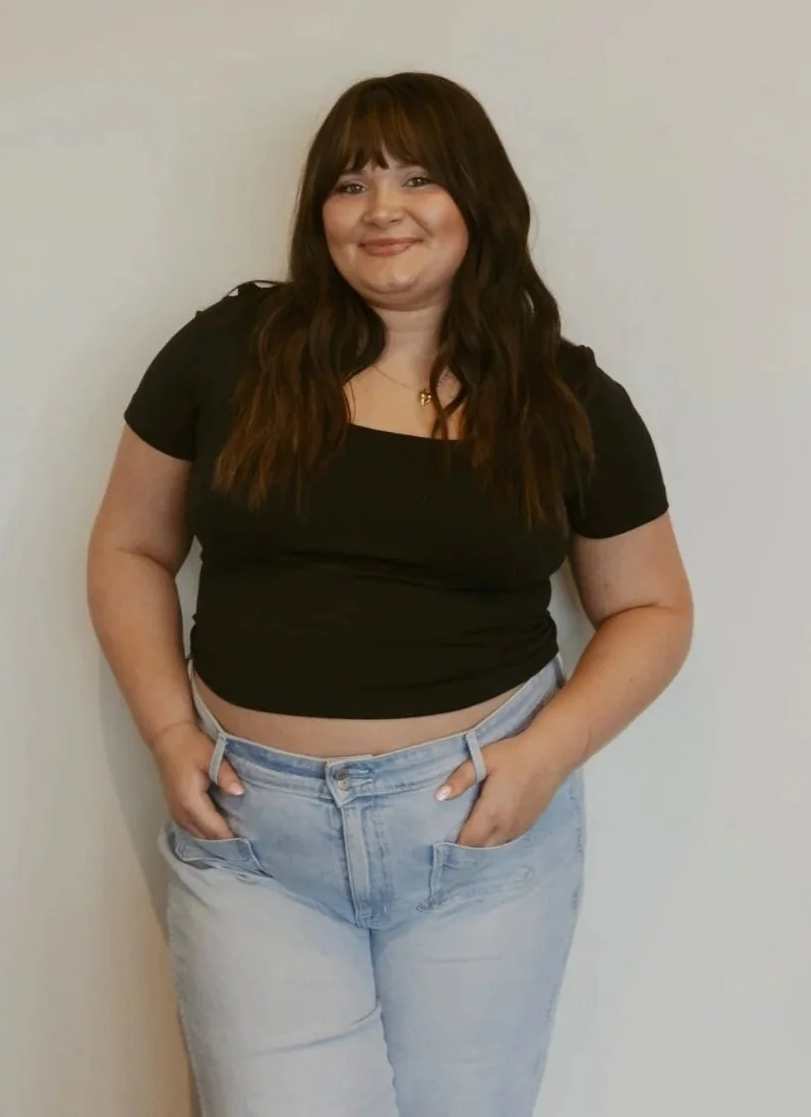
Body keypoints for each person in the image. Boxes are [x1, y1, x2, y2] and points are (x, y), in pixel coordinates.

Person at [86, 71, 693, 1117]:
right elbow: (129, 546)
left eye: (417, 178)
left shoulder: (564, 399)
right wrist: (167, 732)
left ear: (477, 199)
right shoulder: (226, 353)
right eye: (350, 183)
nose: (381, 209)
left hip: (476, 837)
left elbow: (652, 609)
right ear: (318, 211)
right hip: (251, 837)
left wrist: (544, 757)